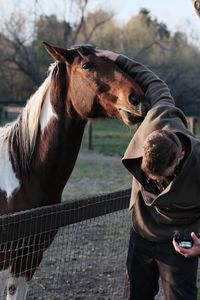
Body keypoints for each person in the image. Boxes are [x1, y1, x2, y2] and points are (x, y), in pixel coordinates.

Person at [96, 49, 200, 300]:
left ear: (180, 156)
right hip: (141, 235)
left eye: (161, 176)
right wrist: (118, 59)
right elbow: (152, 81)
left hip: (178, 244)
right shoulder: (158, 115)